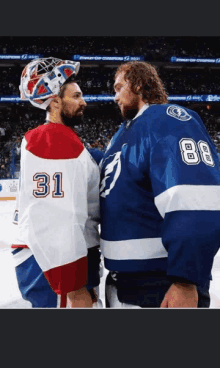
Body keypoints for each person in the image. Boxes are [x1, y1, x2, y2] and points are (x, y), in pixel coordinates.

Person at [99, 61, 220, 308]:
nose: (115, 97)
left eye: (119, 87)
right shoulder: (122, 133)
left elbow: (196, 200)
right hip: (123, 283)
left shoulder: (167, 119)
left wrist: (185, 280)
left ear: (139, 84)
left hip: (161, 284)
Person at [11, 57, 102, 308]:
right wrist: (71, 285)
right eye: (76, 96)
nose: (83, 102)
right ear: (56, 100)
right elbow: (56, 218)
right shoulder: (53, 139)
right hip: (56, 264)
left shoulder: (57, 138)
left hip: (51, 260)